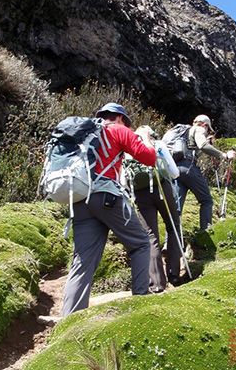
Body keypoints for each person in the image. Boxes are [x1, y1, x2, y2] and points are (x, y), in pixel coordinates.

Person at [61, 103, 157, 317]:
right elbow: (149, 158)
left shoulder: (85, 134)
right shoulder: (118, 129)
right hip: (106, 196)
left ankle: (69, 318)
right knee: (141, 243)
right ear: (120, 118)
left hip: (79, 199)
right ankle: (141, 301)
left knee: (83, 260)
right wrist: (147, 139)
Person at [122, 126, 182, 290]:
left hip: (140, 194)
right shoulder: (158, 144)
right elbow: (175, 172)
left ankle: (157, 283)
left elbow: (123, 180)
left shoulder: (127, 149)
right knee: (173, 226)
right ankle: (174, 273)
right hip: (162, 189)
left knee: (150, 235)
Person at [175, 114, 236, 231]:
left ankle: (171, 242)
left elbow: (193, 146)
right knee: (206, 201)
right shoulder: (199, 129)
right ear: (205, 125)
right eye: (208, 129)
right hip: (189, 168)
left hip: (176, 169)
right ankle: (206, 231)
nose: (207, 132)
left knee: (177, 207)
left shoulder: (183, 131)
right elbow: (202, 145)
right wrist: (224, 155)